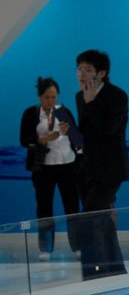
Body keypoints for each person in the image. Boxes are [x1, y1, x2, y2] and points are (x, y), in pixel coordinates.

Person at [70, 50, 129, 280]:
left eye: (87, 70)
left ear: (101, 73)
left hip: (111, 168)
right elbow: (87, 133)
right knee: (102, 221)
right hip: (87, 168)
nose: (81, 74)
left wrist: (91, 103)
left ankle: (93, 273)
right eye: (79, 69)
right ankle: (114, 269)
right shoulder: (80, 96)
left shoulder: (117, 96)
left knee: (89, 218)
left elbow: (108, 131)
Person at [19, 77, 83, 260]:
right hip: (43, 167)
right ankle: (45, 248)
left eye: (54, 97)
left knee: (72, 205)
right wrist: (45, 138)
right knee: (44, 207)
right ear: (40, 96)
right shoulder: (30, 113)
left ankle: (77, 246)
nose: (51, 101)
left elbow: (78, 139)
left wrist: (68, 132)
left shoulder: (64, 111)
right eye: (47, 97)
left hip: (67, 164)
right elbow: (24, 140)